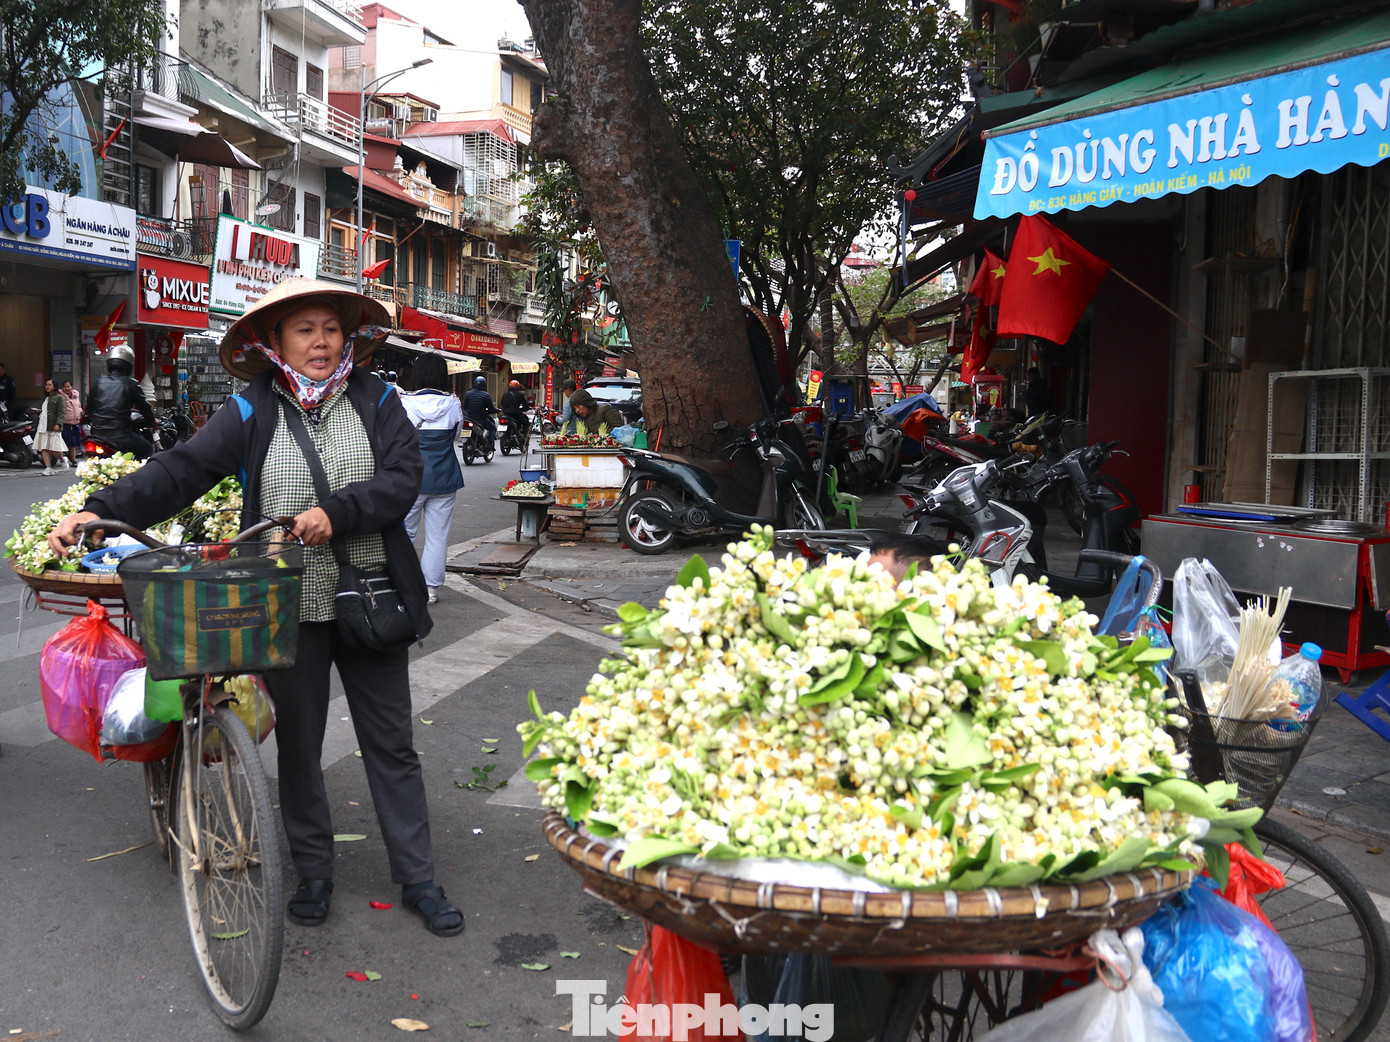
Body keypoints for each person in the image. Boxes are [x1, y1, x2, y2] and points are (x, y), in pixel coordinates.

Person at [47, 277, 464, 938]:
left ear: (347, 335)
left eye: (330, 328)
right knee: (299, 745)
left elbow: (401, 481)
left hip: (370, 596)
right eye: (305, 331)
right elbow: (180, 469)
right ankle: (315, 871)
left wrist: (337, 511)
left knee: (392, 744)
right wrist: (102, 511)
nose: (321, 342)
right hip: (284, 601)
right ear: (275, 342)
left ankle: (419, 878)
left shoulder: (379, 400)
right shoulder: (252, 410)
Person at [400, 354, 465, 604]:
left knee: (405, 533)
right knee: (438, 536)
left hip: (411, 478)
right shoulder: (453, 404)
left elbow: (397, 440)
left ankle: (403, 584)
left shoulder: (406, 404)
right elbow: (457, 437)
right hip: (445, 477)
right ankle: (431, 589)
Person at [85, 344, 155, 458]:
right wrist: (152, 422)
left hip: (97, 435)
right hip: (121, 436)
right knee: (147, 448)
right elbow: (144, 407)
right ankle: (138, 475)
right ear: (128, 366)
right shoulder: (131, 384)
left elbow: (90, 409)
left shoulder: (98, 382)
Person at [36, 378, 67, 474]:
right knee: (44, 448)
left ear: (54, 386)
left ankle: (62, 459)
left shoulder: (59, 398)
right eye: (46, 385)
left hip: (53, 425)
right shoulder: (44, 398)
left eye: (49, 385)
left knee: (54, 448)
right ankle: (48, 468)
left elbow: (61, 412)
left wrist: (58, 423)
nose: (47, 387)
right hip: (43, 425)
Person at [462, 374, 498, 448]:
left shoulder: (468, 394)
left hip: (469, 418)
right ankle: (490, 444)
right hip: (481, 419)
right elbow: (491, 408)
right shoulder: (486, 395)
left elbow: (464, 406)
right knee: (493, 428)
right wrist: (496, 410)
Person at [499, 379, 530, 444]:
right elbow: (525, 405)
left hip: (506, 415)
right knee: (525, 421)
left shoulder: (505, 394)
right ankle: (525, 436)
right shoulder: (520, 394)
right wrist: (526, 409)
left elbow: (502, 403)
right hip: (516, 415)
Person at [60, 380, 83, 466]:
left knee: (75, 441)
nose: (67, 388)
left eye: (68, 386)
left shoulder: (75, 396)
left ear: (72, 387)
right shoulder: (61, 396)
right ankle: (72, 459)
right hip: (66, 422)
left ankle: (71, 457)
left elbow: (79, 406)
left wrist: (80, 411)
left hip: (76, 422)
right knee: (70, 442)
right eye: (65, 386)